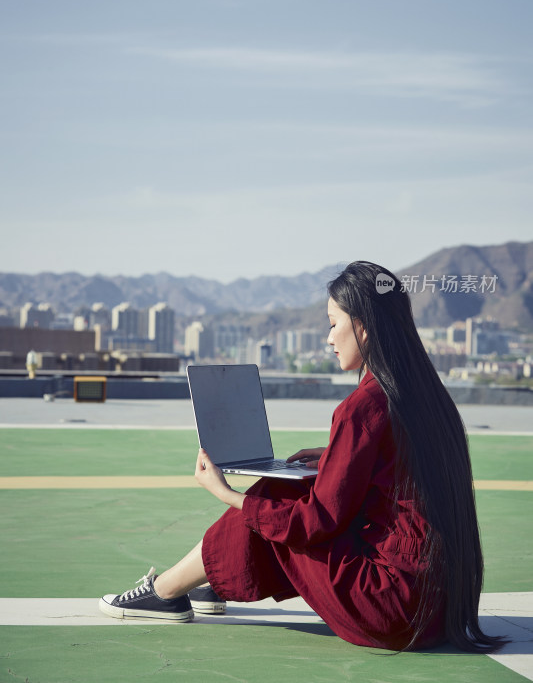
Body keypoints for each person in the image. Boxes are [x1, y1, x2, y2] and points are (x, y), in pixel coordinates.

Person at [100, 261, 505, 652]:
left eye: (333, 324)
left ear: (362, 327)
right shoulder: (429, 397)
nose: (329, 339)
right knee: (295, 484)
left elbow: (317, 523)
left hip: (393, 607)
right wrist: (333, 455)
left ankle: (165, 591)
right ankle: (204, 582)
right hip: (441, 608)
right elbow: (406, 463)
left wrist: (228, 494)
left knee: (275, 498)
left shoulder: (364, 406)